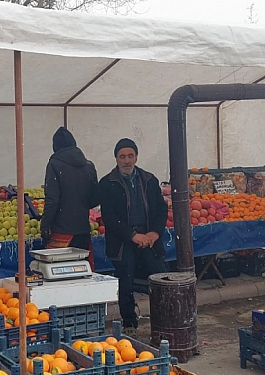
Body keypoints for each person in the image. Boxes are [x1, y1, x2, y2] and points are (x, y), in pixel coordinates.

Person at [99, 138, 169, 333]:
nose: (127, 160)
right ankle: (130, 322)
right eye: (122, 156)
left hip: (149, 238)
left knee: (159, 279)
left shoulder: (149, 180)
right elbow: (109, 217)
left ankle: (163, 319)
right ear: (116, 159)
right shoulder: (107, 183)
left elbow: (161, 209)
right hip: (123, 240)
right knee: (126, 280)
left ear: (136, 157)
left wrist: (154, 232)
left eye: (130, 156)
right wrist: (132, 235)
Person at [40, 127, 99, 269]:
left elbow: (52, 199)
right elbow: (95, 199)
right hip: (83, 230)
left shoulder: (54, 164)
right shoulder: (89, 165)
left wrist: (45, 224)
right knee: (80, 271)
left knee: (60, 272)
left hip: (62, 231)